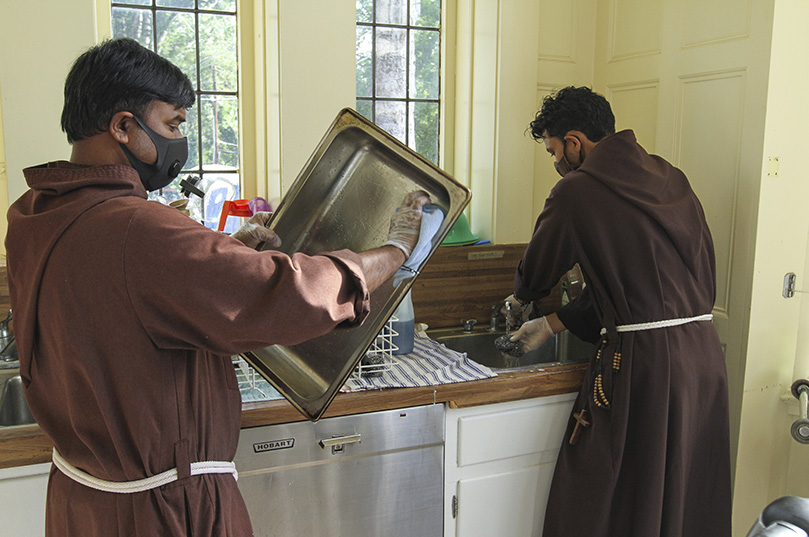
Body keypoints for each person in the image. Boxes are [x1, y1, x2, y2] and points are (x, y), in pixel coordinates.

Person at [4, 38, 428, 537]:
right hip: (162, 511)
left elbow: (123, 301)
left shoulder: (36, 212)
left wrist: (229, 255)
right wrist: (396, 251)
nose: (179, 139)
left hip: (83, 502)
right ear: (122, 125)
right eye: (173, 124)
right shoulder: (135, 229)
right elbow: (293, 293)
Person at [505, 86, 732, 536]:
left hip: (648, 365)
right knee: (685, 492)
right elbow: (645, 292)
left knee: (612, 490)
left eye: (553, 151)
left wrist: (521, 295)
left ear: (574, 142)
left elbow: (540, 268)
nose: (555, 163)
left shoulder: (576, 190)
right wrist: (553, 323)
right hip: (704, 359)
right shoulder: (671, 177)